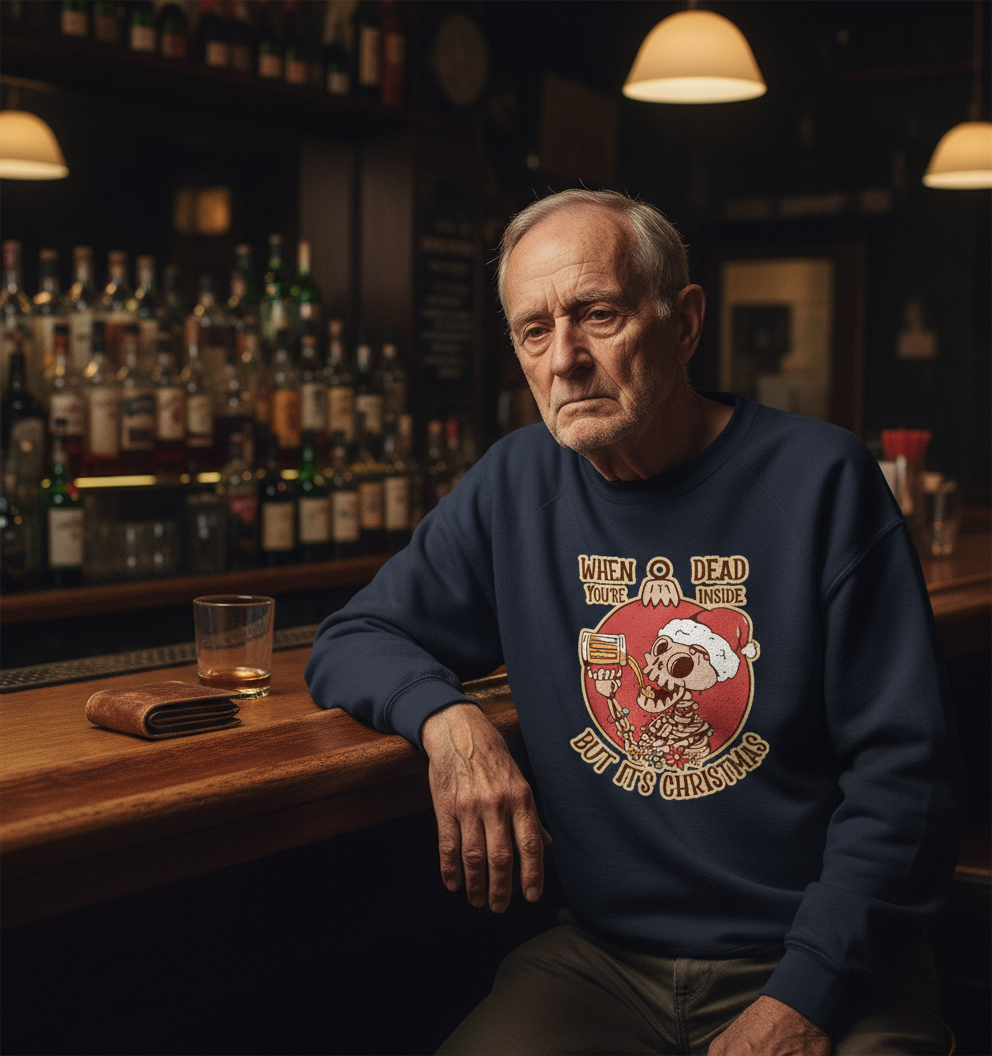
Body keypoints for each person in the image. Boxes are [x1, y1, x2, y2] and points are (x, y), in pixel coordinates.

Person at [305, 190, 961, 1055]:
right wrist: (448, 720)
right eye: (534, 332)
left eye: (597, 316)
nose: (566, 359)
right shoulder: (516, 484)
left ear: (684, 322)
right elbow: (352, 639)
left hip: (824, 959)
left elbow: (905, 778)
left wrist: (804, 998)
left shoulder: (821, 479)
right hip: (603, 963)